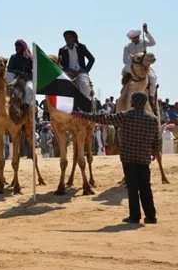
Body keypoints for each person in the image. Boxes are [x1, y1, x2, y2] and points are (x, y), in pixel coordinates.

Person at [73, 92, 158, 224]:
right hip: (144, 158)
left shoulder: (126, 116)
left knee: (133, 188)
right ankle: (151, 216)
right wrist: (155, 151)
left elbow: (104, 118)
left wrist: (82, 114)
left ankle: (135, 216)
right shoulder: (152, 118)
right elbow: (156, 139)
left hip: (129, 157)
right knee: (145, 187)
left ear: (134, 102)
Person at [122, 24, 157, 109]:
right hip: (132, 66)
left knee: (153, 78)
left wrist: (147, 32)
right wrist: (134, 65)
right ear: (131, 38)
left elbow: (153, 43)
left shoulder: (144, 42)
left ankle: (151, 96)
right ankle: (123, 97)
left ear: (139, 36)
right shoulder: (127, 47)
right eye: (133, 38)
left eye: (136, 37)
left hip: (145, 66)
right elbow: (125, 60)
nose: (135, 39)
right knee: (124, 75)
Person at [58, 30, 95, 100]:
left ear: (73, 38)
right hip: (68, 73)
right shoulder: (62, 50)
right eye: (65, 38)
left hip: (81, 72)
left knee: (84, 84)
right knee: (62, 85)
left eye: (69, 37)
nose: (67, 39)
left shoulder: (81, 47)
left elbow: (92, 59)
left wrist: (85, 70)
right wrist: (68, 70)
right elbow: (60, 65)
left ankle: (86, 104)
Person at [7, 39, 35, 112]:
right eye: (15, 46)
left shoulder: (29, 58)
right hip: (15, 78)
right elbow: (9, 69)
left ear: (22, 47)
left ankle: (26, 106)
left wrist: (26, 75)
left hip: (26, 79)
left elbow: (34, 71)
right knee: (7, 75)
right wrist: (16, 71)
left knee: (30, 89)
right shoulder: (13, 57)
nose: (16, 48)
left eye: (18, 46)